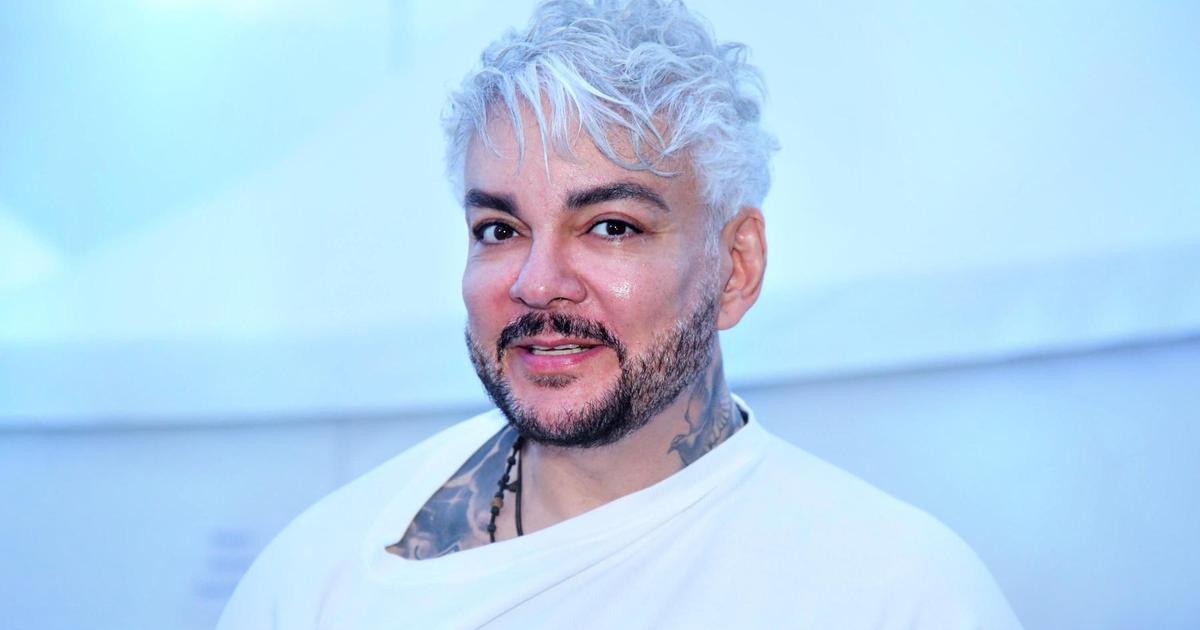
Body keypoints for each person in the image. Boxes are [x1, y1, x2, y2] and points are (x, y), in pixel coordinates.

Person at [218, 1, 1022, 627]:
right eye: (499, 229)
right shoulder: (326, 578)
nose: (537, 284)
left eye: (610, 227)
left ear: (736, 266)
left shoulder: (896, 595)